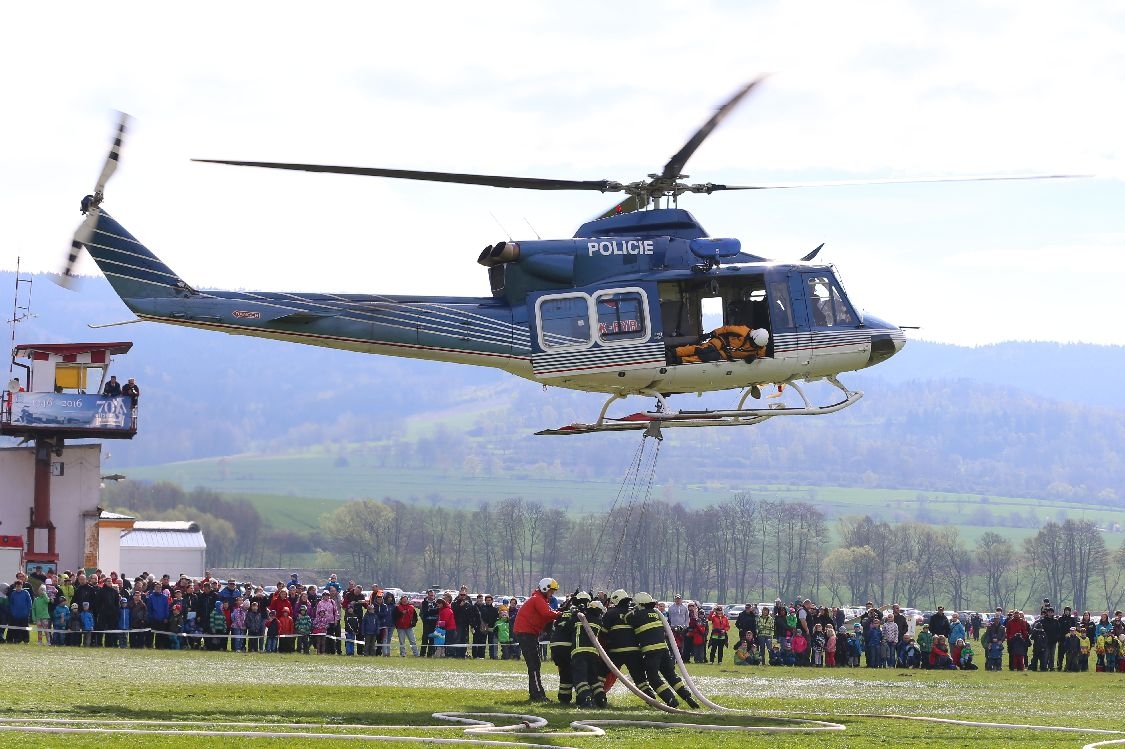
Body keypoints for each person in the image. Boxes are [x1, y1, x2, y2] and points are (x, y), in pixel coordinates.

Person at [627, 591, 698, 709]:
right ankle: (687, 697)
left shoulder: (637, 615)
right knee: (671, 675)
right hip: (664, 650)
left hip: (651, 652)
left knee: (653, 678)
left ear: (639, 604)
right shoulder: (656, 614)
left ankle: (671, 700)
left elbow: (626, 618)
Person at [513, 577, 561, 702]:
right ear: (545, 588)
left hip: (528, 633)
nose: (552, 594)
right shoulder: (538, 599)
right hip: (526, 633)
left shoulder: (540, 599)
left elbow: (547, 615)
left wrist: (558, 612)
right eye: (551, 591)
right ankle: (538, 694)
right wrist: (561, 614)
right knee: (534, 664)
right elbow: (546, 614)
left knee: (534, 664)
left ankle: (536, 694)